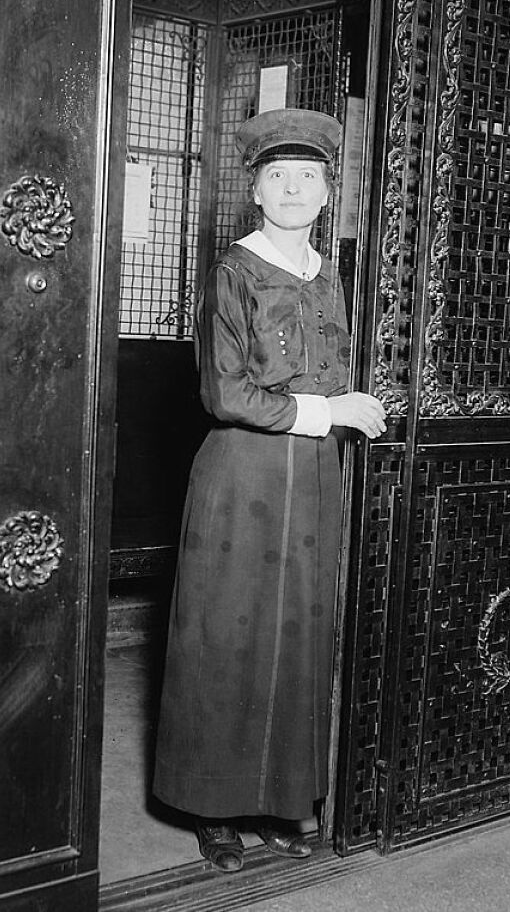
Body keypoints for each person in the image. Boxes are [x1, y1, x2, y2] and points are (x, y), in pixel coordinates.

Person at [153, 108, 386, 873]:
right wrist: (332, 411)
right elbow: (226, 394)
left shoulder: (331, 277)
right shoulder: (233, 271)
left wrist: (354, 409)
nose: (293, 189)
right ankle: (209, 808)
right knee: (225, 639)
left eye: (308, 177)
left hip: (315, 481)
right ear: (255, 190)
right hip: (241, 479)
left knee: (297, 639)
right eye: (277, 176)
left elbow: (336, 375)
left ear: (326, 196)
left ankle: (281, 802)